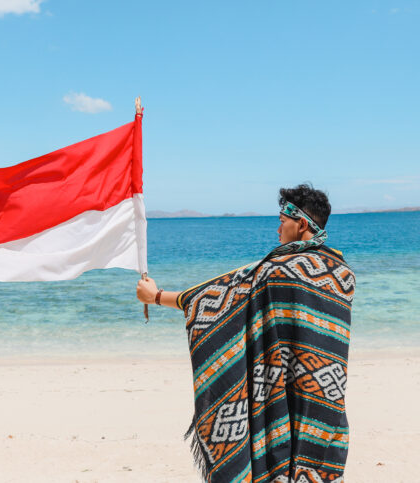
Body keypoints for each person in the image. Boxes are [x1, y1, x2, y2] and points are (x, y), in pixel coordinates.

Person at [137, 183, 355, 483]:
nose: (277, 230)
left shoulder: (274, 273)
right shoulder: (343, 274)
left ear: (301, 223)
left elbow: (216, 296)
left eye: (282, 222)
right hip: (326, 405)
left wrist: (156, 296)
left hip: (279, 399)